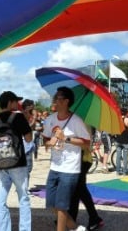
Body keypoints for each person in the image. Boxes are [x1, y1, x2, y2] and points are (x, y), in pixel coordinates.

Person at [42, 86, 91, 231]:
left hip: (70, 169)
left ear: (66, 101)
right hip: (54, 167)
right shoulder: (50, 119)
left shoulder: (76, 121)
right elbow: (45, 139)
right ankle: (76, 228)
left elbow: (86, 143)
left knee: (61, 206)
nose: (55, 100)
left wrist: (66, 138)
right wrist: (48, 143)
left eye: (58, 98)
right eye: (55, 97)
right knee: (51, 204)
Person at [0, 91, 32, 231]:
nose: (18, 104)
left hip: (1, 164)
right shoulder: (18, 117)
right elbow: (28, 139)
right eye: (16, 101)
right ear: (10, 102)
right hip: (18, 163)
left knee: (1, 200)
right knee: (23, 198)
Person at [69, 125, 105, 231]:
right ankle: (71, 217)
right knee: (76, 190)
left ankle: (94, 218)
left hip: (83, 159)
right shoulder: (81, 121)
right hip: (80, 159)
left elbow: (84, 143)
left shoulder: (81, 122)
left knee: (80, 189)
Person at [115, 109, 128, 175]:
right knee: (125, 157)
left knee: (118, 156)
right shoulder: (127, 120)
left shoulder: (117, 120)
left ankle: (118, 171)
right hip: (126, 140)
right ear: (126, 113)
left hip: (118, 140)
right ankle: (125, 171)